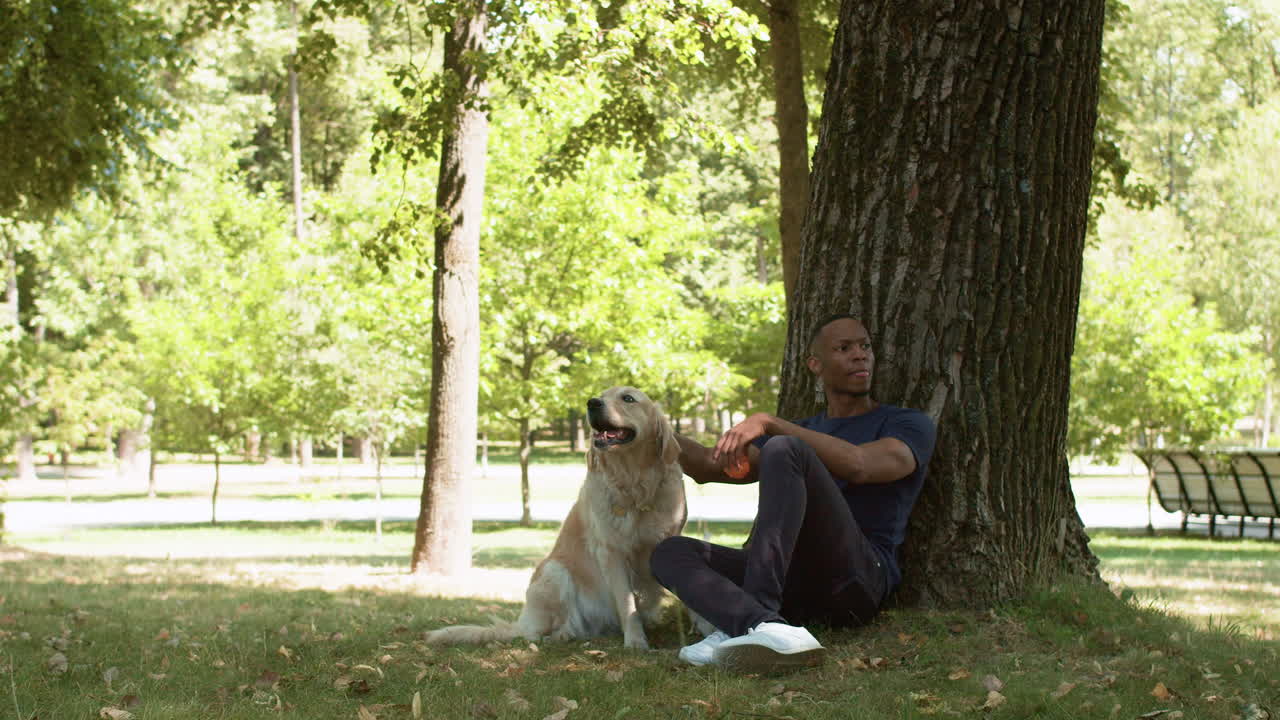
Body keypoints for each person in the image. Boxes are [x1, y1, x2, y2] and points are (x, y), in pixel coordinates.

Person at [650, 314, 936, 672]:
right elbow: (711, 466)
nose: (860, 355)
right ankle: (763, 624)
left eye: (865, 347)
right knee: (670, 552)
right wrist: (648, 426)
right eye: (844, 348)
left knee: (786, 449)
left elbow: (860, 464)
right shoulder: (802, 431)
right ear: (815, 364)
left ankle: (750, 623)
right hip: (790, 586)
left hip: (856, 580)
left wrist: (769, 423)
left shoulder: (907, 423)